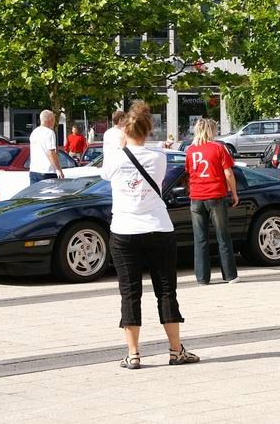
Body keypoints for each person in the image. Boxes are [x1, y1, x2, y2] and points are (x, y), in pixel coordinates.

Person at [101, 101, 199, 368]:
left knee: (129, 293)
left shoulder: (115, 158)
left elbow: (106, 175)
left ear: (125, 130)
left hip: (124, 230)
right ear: (148, 131)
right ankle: (176, 350)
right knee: (166, 290)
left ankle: (133, 353)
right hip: (159, 227)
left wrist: (121, 143)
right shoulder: (159, 157)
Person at [186, 118, 240, 285]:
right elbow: (228, 173)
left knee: (200, 238)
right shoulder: (218, 147)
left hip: (196, 197)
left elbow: (188, 172)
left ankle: (202, 278)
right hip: (215, 195)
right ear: (211, 130)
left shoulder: (190, 150)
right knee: (222, 236)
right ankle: (230, 275)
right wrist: (234, 193)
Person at [28, 110, 63, 184]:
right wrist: (58, 169)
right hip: (47, 171)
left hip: (34, 170)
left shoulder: (34, 132)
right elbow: (51, 153)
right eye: (54, 119)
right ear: (50, 119)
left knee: (34, 191)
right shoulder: (49, 133)